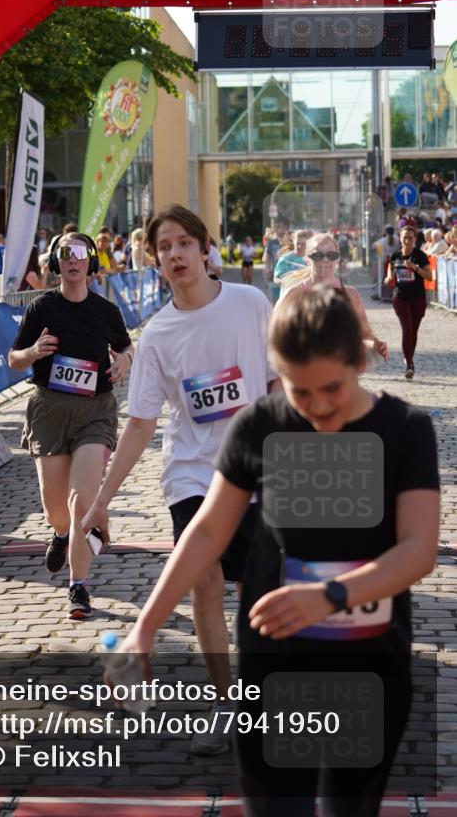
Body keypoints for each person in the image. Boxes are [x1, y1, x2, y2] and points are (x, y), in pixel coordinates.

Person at [117, 286, 440, 817]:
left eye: (332, 389)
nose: (317, 409)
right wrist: (145, 628)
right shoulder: (260, 424)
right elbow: (206, 533)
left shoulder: (405, 430)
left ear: (360, 360)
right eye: (299, 392)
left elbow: (418, 549)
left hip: (369, 666)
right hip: (272, 667)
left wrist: (331, 596)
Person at [83, 204, 279, 754]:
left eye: (183, 243)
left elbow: (275, 381)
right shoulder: (158, 337)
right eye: (164, 247)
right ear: (155, 262)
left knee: (254, 591)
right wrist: (102, 500)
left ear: (203, 247)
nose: (174, 254)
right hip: (193, 475)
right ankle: (227, 706)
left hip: (257, 472)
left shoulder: (250, 304)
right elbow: (141, 425)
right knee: (206, 583)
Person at [8, 232, 133, 620]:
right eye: (66, 253)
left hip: (95, 410)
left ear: (92, 262)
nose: (73, 260)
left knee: (83, 501)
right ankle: (60, 535)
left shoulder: (106, 311)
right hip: (50, 410)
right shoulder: (42, 308)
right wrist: (33, 352)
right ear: (56, 262)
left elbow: (125, 346)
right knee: (56, 509)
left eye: (81, 253)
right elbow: (13, 358)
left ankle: (78, 585)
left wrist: (126, 360)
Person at [281, 232, 388, 361]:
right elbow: (276, 337)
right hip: (305, 372)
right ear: (307, 259)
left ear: (337, 259)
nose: (325, 260)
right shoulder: (293, 294)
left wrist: (376, 345)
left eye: (331, 255)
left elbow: (364, 335)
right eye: (318, 255)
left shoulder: (350, 294)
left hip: (339, 371)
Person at [385, 224, 432, 379]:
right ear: (400, 238)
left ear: (415, 239)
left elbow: (429, 276)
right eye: (404, 238)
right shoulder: (395, 256)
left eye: (410, 238)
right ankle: (409, 364)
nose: (407, 241)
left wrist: (415, 268)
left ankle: (408, 357)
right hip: (401, 297)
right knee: (407, 328)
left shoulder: (420, 256)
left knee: (413, 330)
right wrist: (388, 278)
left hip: (418, 298)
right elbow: (389, 272)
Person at [272, 229, 308, 296]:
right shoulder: (286, 259)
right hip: (288, 298)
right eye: (298, 243)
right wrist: (289, 281)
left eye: (303, 244)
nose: (300, 246)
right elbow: (276, 279)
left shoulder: (311, 260)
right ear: (293, 242)